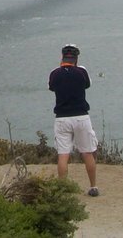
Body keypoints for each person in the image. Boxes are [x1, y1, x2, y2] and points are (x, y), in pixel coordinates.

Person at [48, 43, 100, 196]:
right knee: (87, 152)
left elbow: (51, 87)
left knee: (63, 154)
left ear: (62, 57)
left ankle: (63, 189)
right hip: (81, 117)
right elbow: (87, 85)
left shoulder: (54, 73)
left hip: (62, 118)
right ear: (76, 59)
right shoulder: (81, 72)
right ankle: (93, 187)